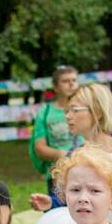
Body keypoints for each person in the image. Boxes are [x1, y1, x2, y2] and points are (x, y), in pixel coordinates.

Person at [30, 83, 112, 212]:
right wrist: (51, 203)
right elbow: (68, 198)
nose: (67, 116)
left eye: (74, 110)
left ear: (97, 112)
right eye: (67, 110)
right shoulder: (73, 156)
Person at [29, 65, 81, 198]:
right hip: (57, 175)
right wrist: (65, 154)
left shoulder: (86, 108)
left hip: (85, 170)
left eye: (74, 80)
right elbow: (39, 148)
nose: (71, 84)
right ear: (56, 87)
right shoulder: (45, 113)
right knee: (58, 214)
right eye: (65, 81)